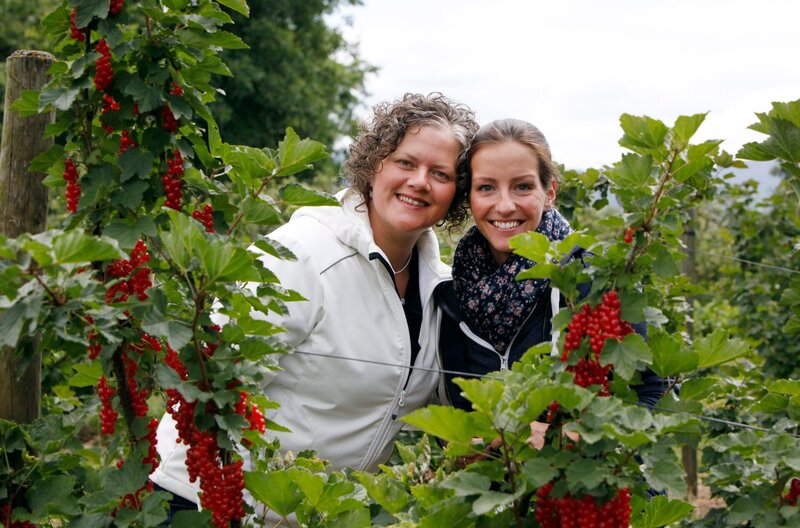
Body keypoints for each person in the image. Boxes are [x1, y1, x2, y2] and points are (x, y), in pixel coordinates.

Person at [150, 93, 479, 511]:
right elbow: (212, 379)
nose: (420, 181)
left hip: (315, 513)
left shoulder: (440, 289)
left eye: (441, 173)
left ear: (456, 192)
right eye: (405, 163)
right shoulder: (304, 254)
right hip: (206, 500)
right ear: (373, 165)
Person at [436, 118, 667, 411]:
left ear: (549, 192)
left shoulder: (594, 277)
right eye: (486, 187)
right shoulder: (453, 289)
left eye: (522, 186)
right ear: (469, 196)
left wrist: (570, 433)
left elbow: (650, 392)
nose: (505, 205)